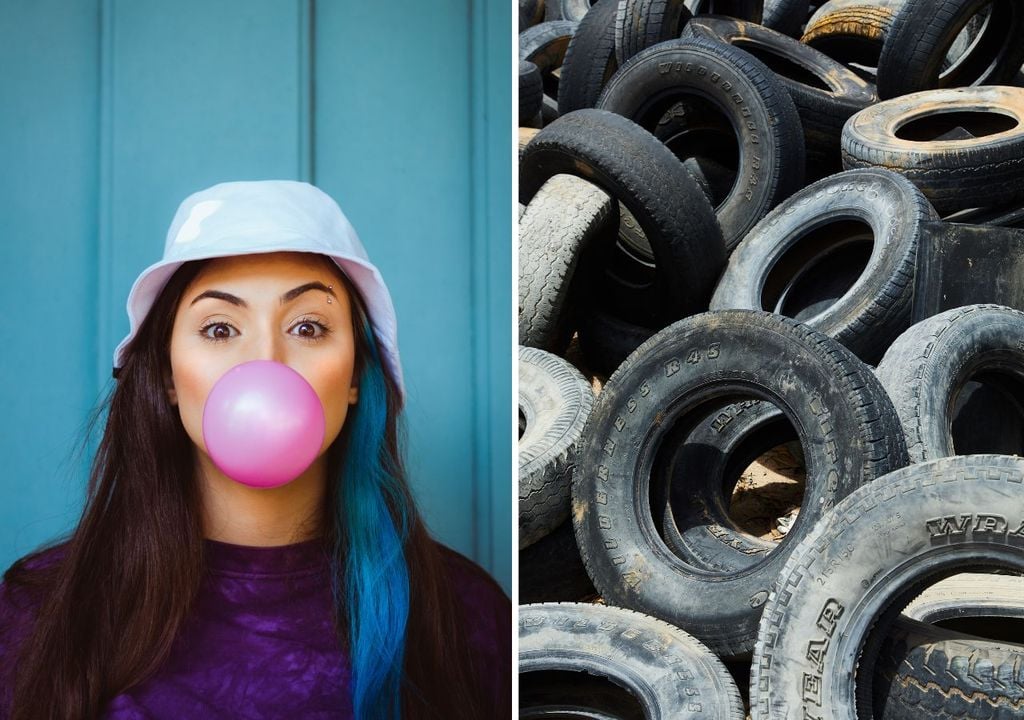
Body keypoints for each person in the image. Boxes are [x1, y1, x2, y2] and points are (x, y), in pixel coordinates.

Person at [0, 180, 512, 719]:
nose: (266, 362)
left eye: (308, 327)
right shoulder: (37, 615)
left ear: (357, 374)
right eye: (220, 329)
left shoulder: (465, 618)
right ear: (169, 377)